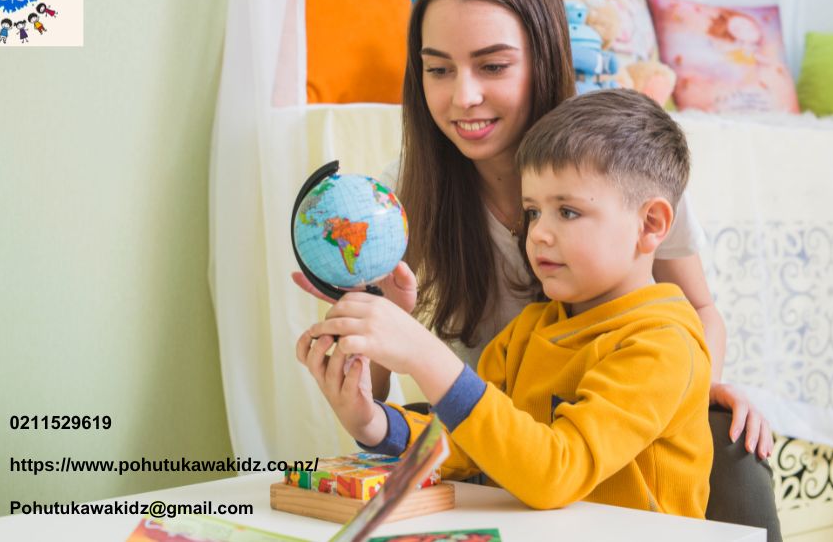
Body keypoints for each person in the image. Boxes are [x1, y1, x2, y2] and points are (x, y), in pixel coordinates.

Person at [292, 0, 780, 537]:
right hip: (499, 434)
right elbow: (471, 437)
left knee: (732, 445)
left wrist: (686, 386)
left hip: (576, 455)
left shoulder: (622, 169)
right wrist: (369, 397)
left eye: (493, 66)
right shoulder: (401, 208)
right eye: (438, 69)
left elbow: (692, 314)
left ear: (543, 58)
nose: (463, 96)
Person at [297, 89, 713, 515]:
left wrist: (426, 356)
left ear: (651, 224)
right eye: (533, 211)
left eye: (567, 212)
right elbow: (469, 443)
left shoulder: (663, 346)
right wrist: (372, 422)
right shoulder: (529, 330)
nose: (539, 233)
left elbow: (555, 473)